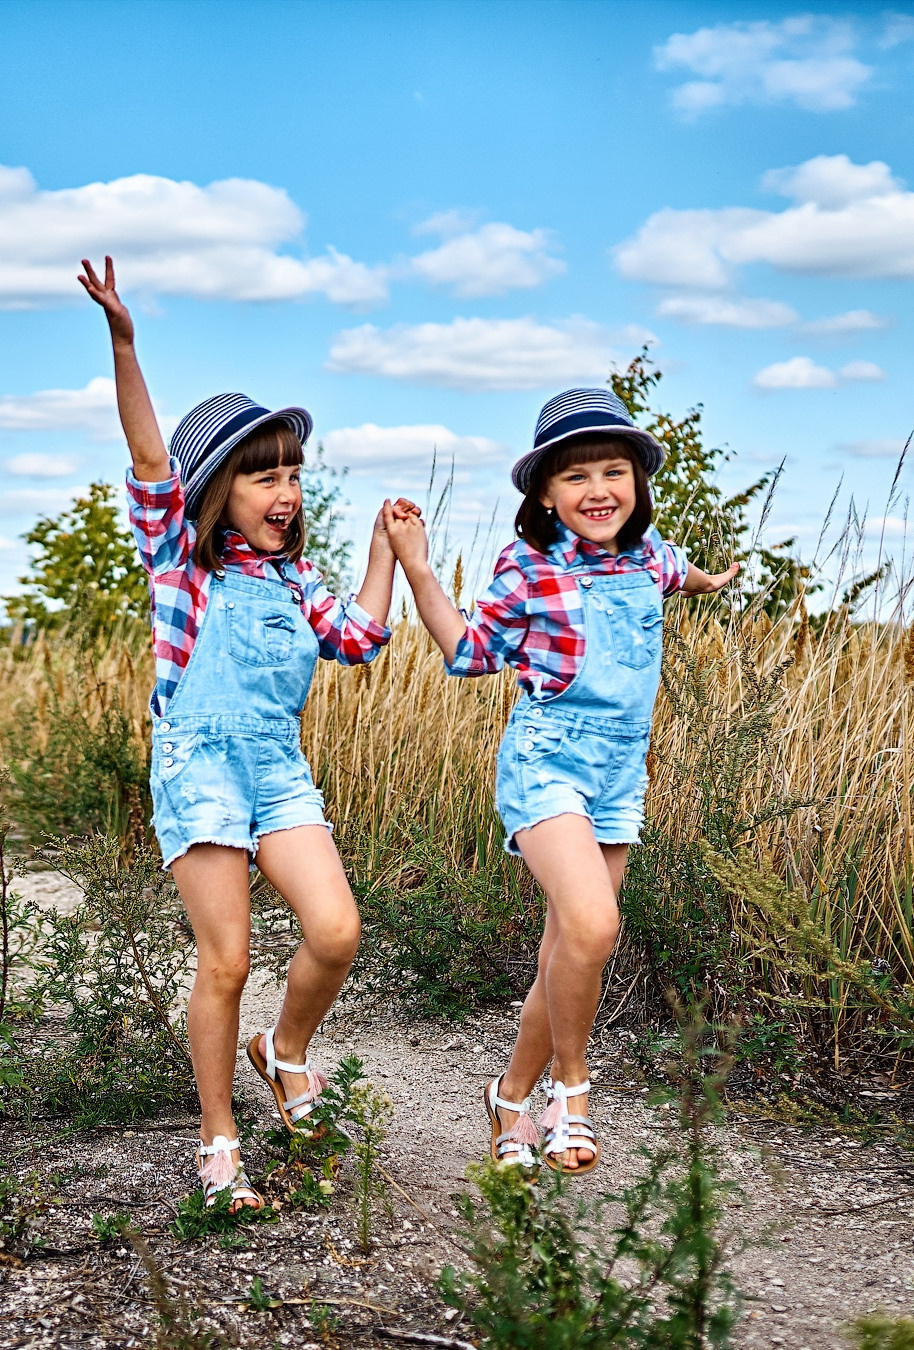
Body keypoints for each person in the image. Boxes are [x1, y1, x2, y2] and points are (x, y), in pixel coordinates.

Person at [79, 256, 410, 1212]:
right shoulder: (180, 565)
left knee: (337, 931)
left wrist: (384, 553)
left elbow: (361, 638)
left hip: (275, 769)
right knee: (225, 959)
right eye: (263, 475)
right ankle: (219, 1145)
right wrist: (125, 342)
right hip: (199, 768)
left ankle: (286, 1049)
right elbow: (148, 461)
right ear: (219, 487)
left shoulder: (298, 583)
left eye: (293, 473)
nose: (285, 491)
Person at [386, 386, 738, 1174]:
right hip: (546, 759)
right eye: (576, 478)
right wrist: (416, 569)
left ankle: (509, 1098)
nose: (599, 490)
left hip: (620, 771)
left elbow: (680, 574)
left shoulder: (652, 556)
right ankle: (570, 1093)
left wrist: (712, 580)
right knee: (594, 925)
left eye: (615, 471)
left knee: (567, 950)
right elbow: (471, 653)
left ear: (638, 486)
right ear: (545, 493)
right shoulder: (529, 565)